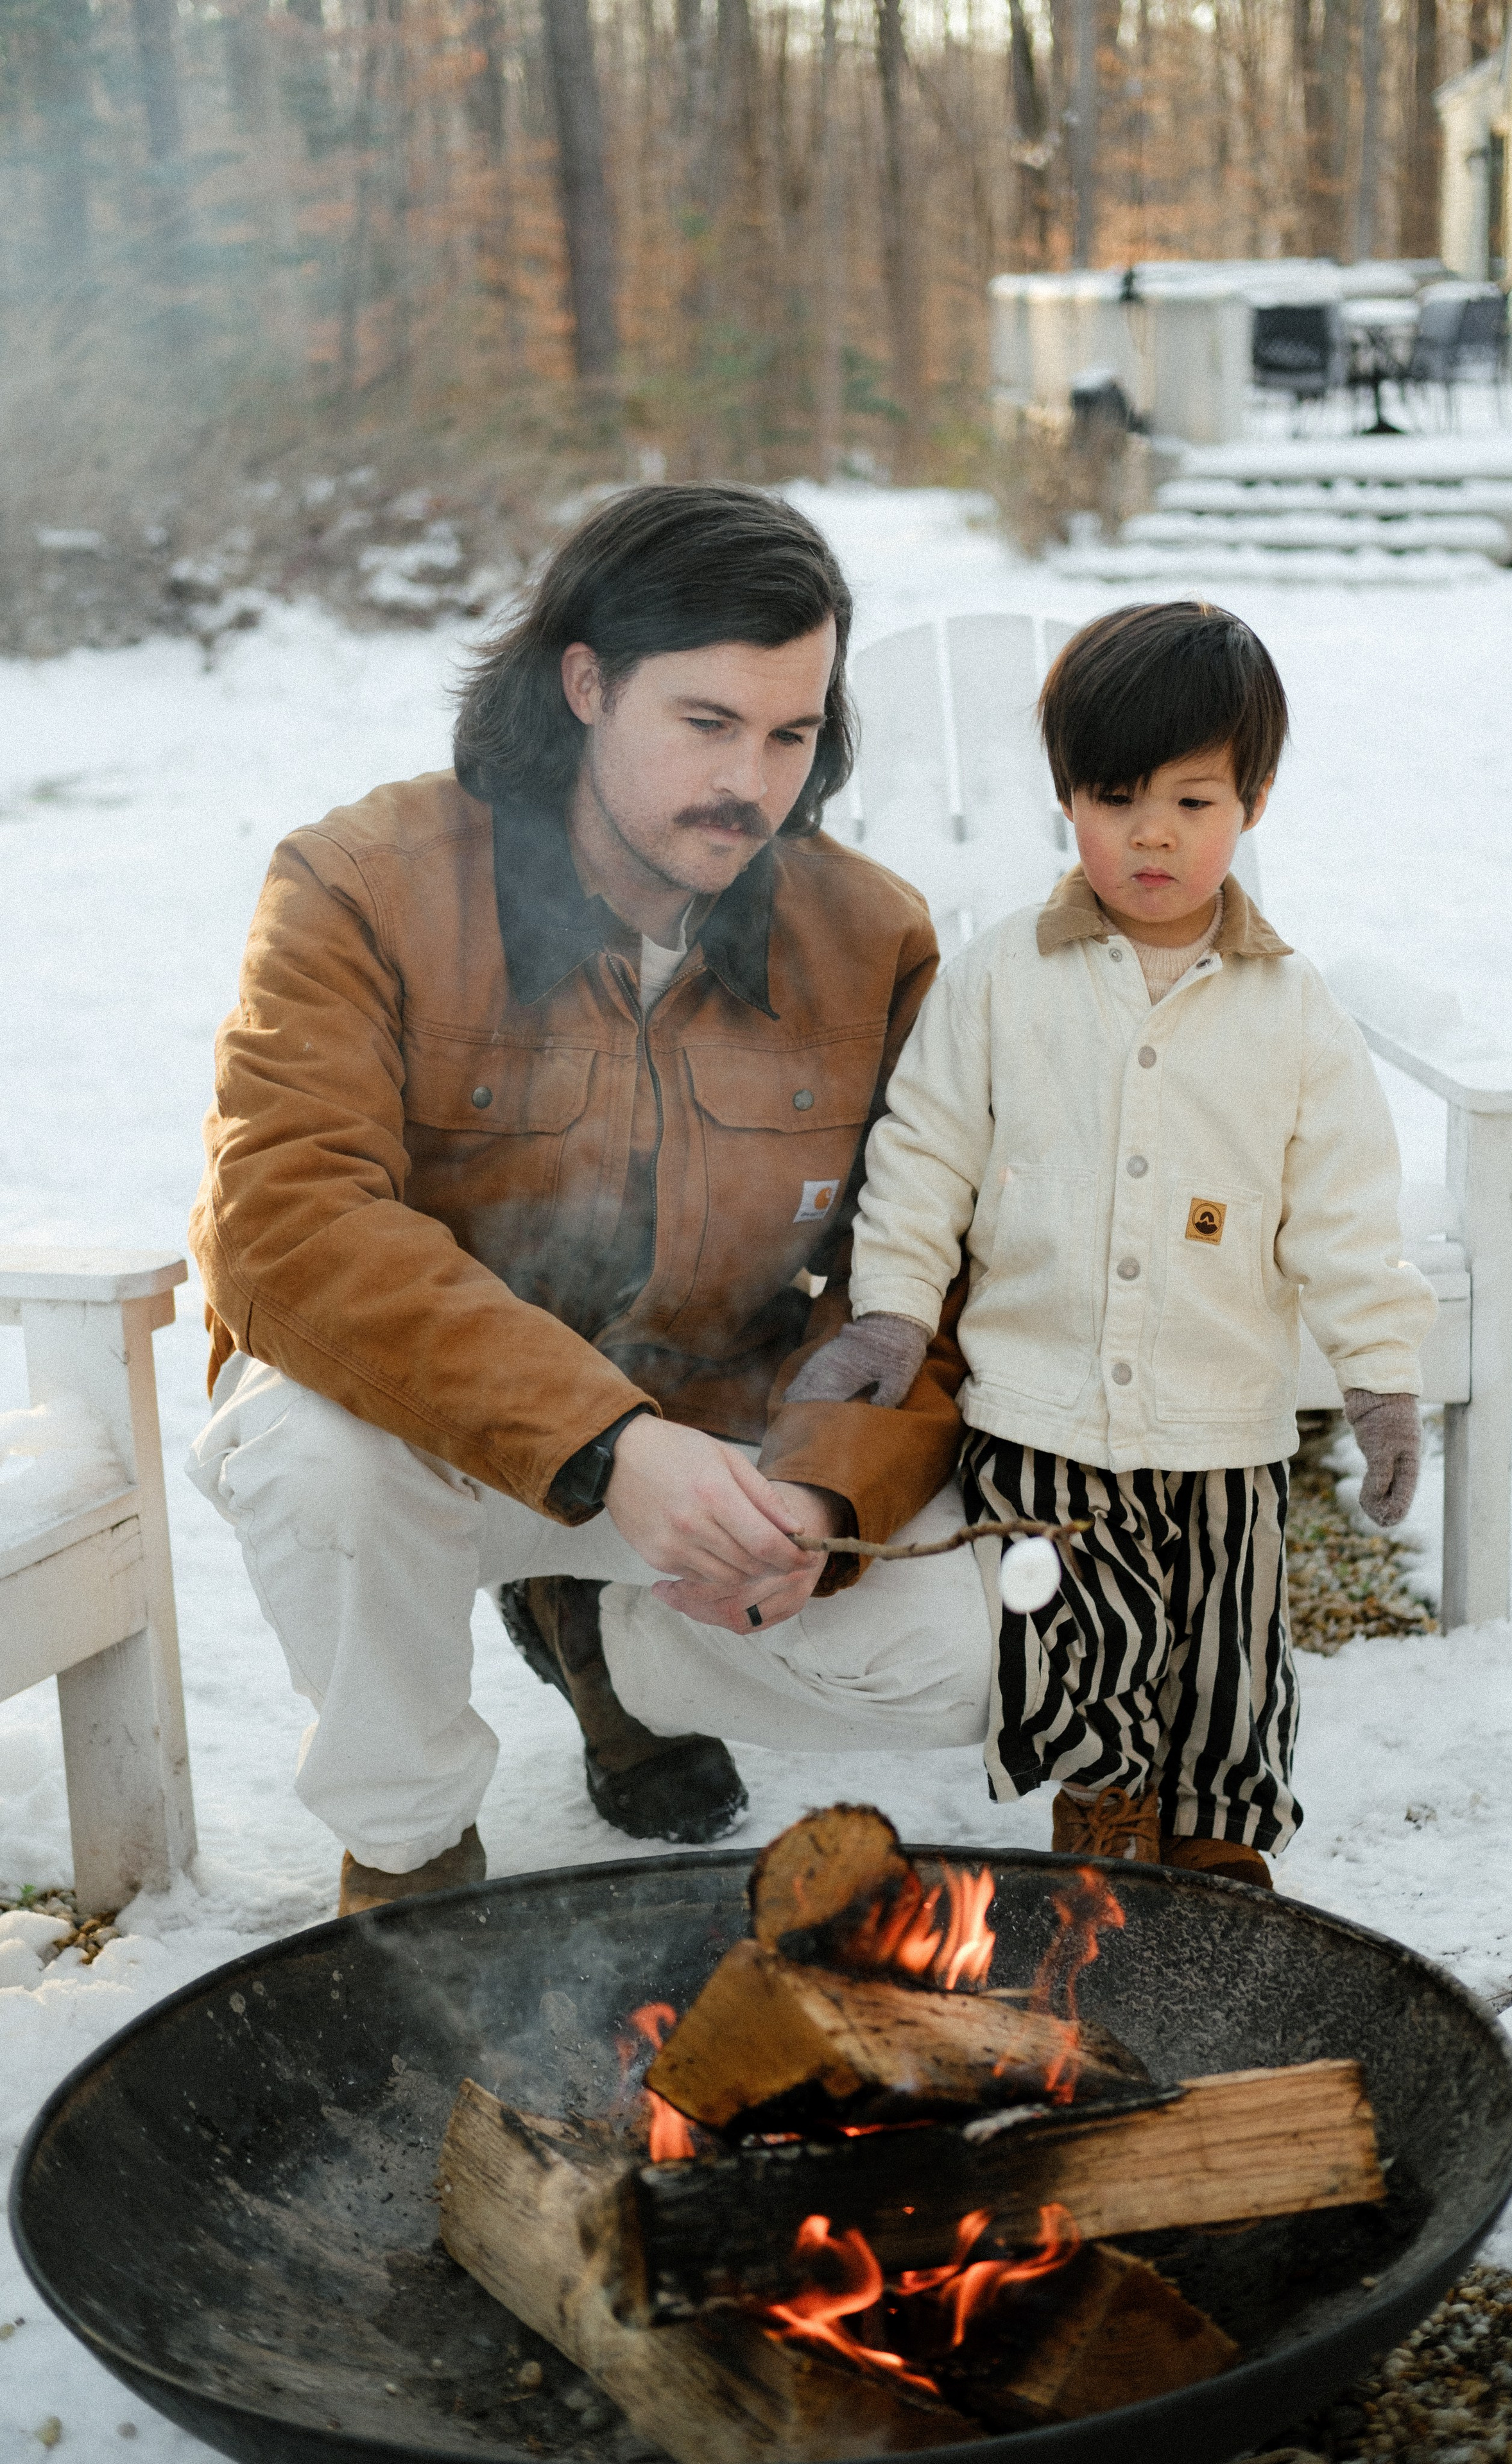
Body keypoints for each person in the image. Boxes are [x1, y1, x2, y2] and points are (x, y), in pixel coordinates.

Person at [185, 483, 983, 1914]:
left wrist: (817, 1486)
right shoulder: (359, 884)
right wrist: (604, 1443)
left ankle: (608, 1652)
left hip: (716, 1428)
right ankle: (411, 1842)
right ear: (584, 685)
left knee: (954, 1654)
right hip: (429, 1442)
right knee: (317, 1468)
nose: (753, 780)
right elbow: (286, 1221)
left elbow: (915, 1275)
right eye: (706, 723)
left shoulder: (869, 938)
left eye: (791, 734)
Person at [786, 602, 1436, 1887]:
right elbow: (921, 1159)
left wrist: (1376, 1376)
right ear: (1065, 800)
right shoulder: (997, 981)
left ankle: (1217, 1858)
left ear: (1249, 802)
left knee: (1227, 1653)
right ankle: (1105, 1831)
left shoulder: (1292, 1011)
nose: (1151, 834)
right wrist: (892, 1312)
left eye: (1192, 803)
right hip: (1040, 1417)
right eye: (1115, 796)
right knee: (1080, 1635)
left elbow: (1346, 1214)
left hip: (1226, 1423)